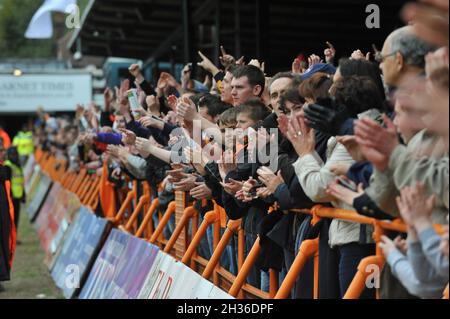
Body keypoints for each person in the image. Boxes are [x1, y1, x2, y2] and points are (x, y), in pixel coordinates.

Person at [4, 147, 25, 234]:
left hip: (18, 195)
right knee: (11, 219)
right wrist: (10, 194)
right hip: (11, 197)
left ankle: (14, 237)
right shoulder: (8, 166)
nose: (15, 156)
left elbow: (20, 181)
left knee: (15, 219)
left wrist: (23, 193)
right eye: (13, 155)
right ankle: (10, 237)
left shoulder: (17, 165)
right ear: (9, 155)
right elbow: (7, 182)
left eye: (16, 154)